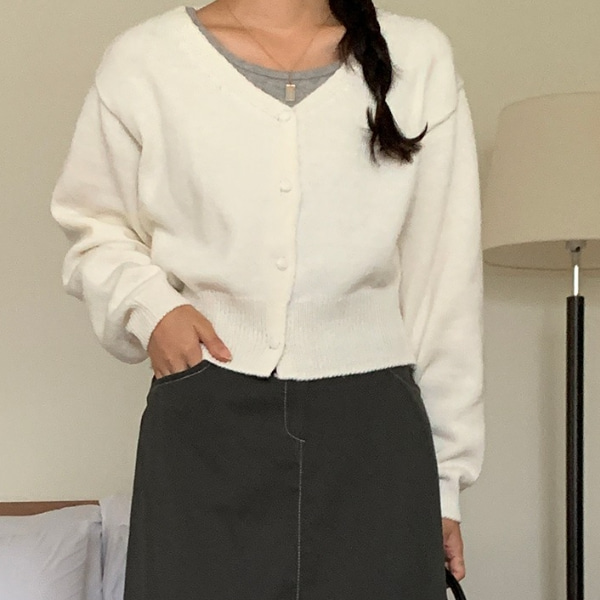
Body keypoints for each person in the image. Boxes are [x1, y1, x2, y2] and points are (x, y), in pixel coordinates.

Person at [49, 0, 483, 597]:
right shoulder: (144, 59)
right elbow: (93, 225)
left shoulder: (419, 56)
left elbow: (445, 278)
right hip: (204, 412)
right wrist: (152, 309)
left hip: (374, 430)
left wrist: (445, 482)